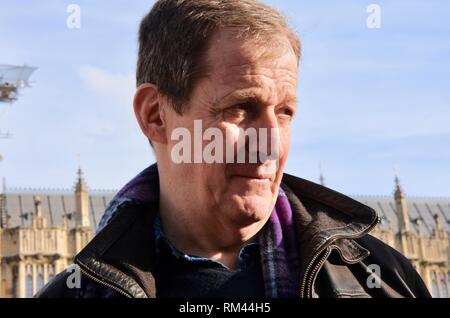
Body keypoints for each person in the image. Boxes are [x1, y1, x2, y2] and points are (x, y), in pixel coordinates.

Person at [36, 0, 431, 298]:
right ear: (156, 116)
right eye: (241, 107)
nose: (271, 143)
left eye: (285, 112)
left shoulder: (383, 279)